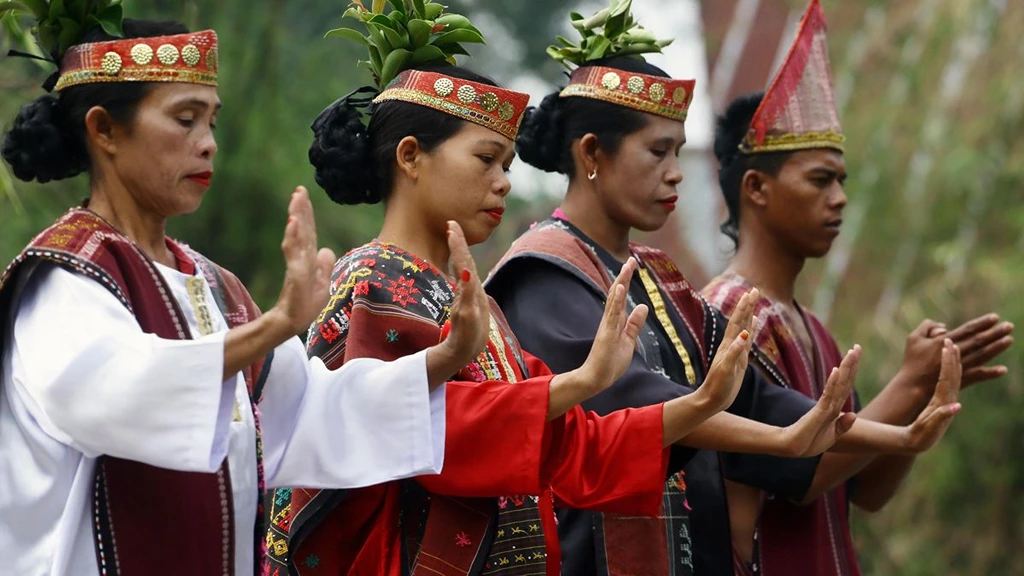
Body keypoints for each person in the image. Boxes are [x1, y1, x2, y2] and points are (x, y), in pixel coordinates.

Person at [263, 4, 858, 575]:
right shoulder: (373, 280)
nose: (501, 184)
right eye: (486, 160)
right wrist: (580, 383)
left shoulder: (481, 307)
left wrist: (706, 405)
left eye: (507, 167)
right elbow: (428, 435)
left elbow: (568, 449)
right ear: (412, 157)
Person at [0, 16, 492, 576]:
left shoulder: (212, 284)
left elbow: (308, 412)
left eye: (211, 121)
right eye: (185, 120)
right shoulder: (66, 273)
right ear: (104, 130)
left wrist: (448, 355)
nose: (207, 143)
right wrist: (277, 323)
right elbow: (114, 395)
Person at [488, 2, 964, 575]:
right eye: (658, 151)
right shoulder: (543, 270)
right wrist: (789, 439)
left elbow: (752, 398)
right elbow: (631, 406)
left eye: (677, 150)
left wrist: (895, 433)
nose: (677, 171)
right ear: (592, 152)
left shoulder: (659, 280)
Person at [702, 1, 1015, 574]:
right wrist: (907, 380)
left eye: (842, 181)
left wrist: (928, 392)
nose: (840, 198)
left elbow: (864, 491)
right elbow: (804, 468)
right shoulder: (730, 313)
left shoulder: (808, 325)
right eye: (821, 180)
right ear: (757, 188)